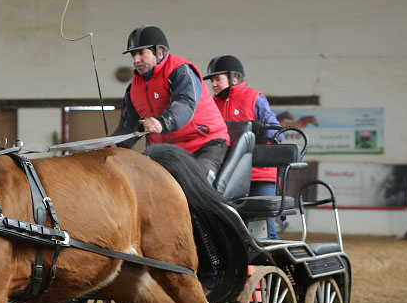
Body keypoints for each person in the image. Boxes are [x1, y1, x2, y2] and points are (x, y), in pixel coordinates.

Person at [111, 25, 230, 184]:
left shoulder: (181, 71)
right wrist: (114, 145)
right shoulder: (133, 88)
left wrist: (161, 122)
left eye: (141, 53)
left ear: (159, 52)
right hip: (166, 150)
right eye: (133, 55)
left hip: (204, 144)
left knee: (197, 185)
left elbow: (185, 103)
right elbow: (128, 125)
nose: (136, 60)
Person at [204, 55, 281, 239]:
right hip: (228, 177)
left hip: (259, 175)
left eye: (218, 79)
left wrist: (259, 130)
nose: (213, 84)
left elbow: (278, 133)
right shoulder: (211, 105)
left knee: (264, 230)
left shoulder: (255, 98)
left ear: (235, 78)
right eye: (212, 80)